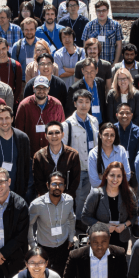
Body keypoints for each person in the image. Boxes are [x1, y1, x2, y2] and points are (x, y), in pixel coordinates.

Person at [28, 171, 76, 278]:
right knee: (42, 276)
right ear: (48, 185)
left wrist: (71, 237)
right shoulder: (36, 205)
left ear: (65, 186)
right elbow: (29, 225)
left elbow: (72, 218)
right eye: (54, 183)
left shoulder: (69, 200)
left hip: (62, 246)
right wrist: (32, 245)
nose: (57, 187)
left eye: (60, 184)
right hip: (44, 247)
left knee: (59, 276)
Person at [82, 161, 137, 252]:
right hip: (99, 240)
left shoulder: (129, 194)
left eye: (119, 176)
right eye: (112, 175)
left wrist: (124, 225)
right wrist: (103, 226)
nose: (115, 179)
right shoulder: (96, 194)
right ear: (106, 176)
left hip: (122, 239)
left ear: (123, 178)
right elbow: (85, 217)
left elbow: (134, 215)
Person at [62, 89, 99, 218]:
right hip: (77, 168)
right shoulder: (67, 125)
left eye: (87, 102)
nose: (84, 105)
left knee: (91, 196)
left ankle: (85, 220)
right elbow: (64, 149)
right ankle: (78, 222)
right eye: (81, 102)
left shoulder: (94, 121)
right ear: (75, 103)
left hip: (92, 167)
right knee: (79, 197)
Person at [88, 123, 132, 189]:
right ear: (100, 135)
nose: (109, 138)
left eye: (112, 135)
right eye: (106, 135)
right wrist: (116, 180)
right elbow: (94, 182)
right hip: (100, 194)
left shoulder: (121, 150)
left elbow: (127, 176)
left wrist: (103, 178)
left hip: (118, 192)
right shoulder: (93, 154)